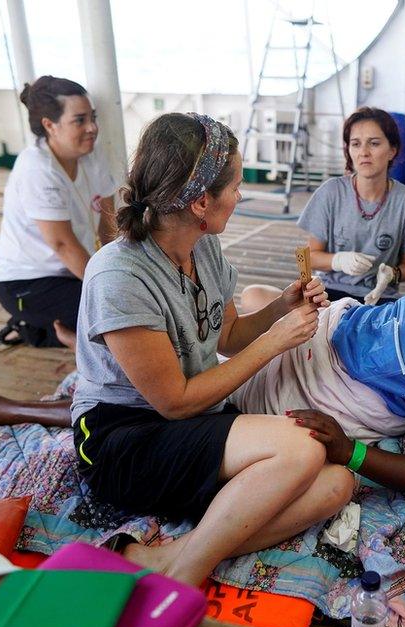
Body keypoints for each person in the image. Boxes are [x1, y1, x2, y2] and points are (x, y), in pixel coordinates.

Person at [0, 242, 405, 500]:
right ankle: (107, 397)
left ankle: (13, 410)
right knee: (242, 313)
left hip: (333, 390)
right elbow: (374, 314)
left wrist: (350, 448)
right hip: (332, 331)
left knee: (183, 400)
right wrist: (306, 308)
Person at [74, 112, 351, 586]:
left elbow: (226, 337)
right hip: (123, 440)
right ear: (202, 201)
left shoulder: (202, 246)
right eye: (237, 186)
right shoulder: (118, 275)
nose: (240, 196)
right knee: (302, 448)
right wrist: (273, 343)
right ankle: (189, 574)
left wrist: (283, 308)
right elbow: (175, 401)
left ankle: (167, 557)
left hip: (192, 423)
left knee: (335, 483)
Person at [241, 106, 405, 310]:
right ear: (348, 149)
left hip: (377, 301)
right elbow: (311, 256)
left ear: (392, 150)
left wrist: (393, 275)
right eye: (356, 144)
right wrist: (338, 260)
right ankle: (332, 332)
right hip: (328, 297)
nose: (364, 152)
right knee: (253, 295)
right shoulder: (331, 192)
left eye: (374, 144)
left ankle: (328, 335)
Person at [0, 76, 116, 349]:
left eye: (92, 117)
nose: (92, 128)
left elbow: (108, 224)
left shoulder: (91, 154)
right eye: (79, 120)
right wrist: (111, 287)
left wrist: (123, 273)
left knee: (132, 303)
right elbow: (62, 244)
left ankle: (56, 328)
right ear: (50, 125)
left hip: (73, 272)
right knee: (115, 317)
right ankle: (37, 329)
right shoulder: (37, 169)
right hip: (27, 281)